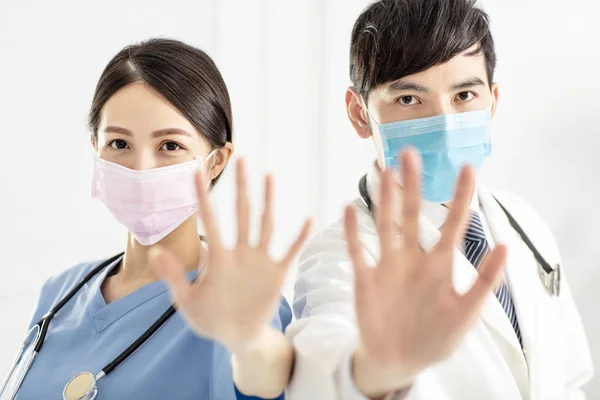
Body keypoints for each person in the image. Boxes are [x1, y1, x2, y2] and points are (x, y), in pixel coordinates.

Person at [285, 0, 594, 399]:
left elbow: (569, 380)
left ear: (493, 100)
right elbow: (324, 371)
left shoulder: (523, 220)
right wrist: (378, 368)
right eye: (409, 100)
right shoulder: (343, 256)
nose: (445, 123)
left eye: (464, 94)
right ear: (360, 114)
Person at [0, 38, 311, 400]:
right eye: (119, 144)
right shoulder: (59, 293)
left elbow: (263, 375)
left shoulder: (237, 302)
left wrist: (251, 341)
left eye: (170, 146)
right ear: (95, 150)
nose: (141, 168)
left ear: (215, 161)